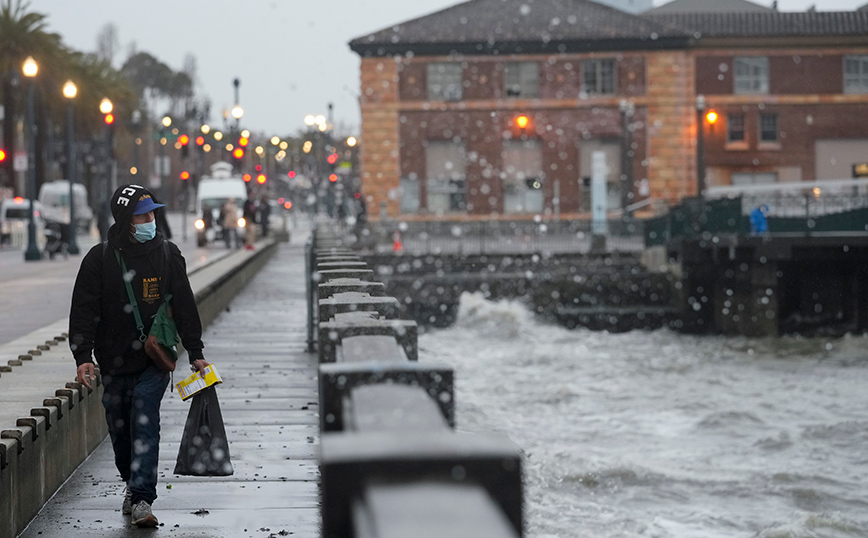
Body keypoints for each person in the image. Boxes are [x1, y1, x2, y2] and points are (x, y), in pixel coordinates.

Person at [69, 184, 209, 528]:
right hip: (113, 362)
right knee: (120, 431)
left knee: (145, 419)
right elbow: (84, 310)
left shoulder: (167, 254)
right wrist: (82, 356)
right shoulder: (99, 259)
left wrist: (196, 352)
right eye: (142, 215)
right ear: (124, 219)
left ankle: (143, 497)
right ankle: (132, 484)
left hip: (153, 360)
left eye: (152, 213)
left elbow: (185, 305)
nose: (150, 220)